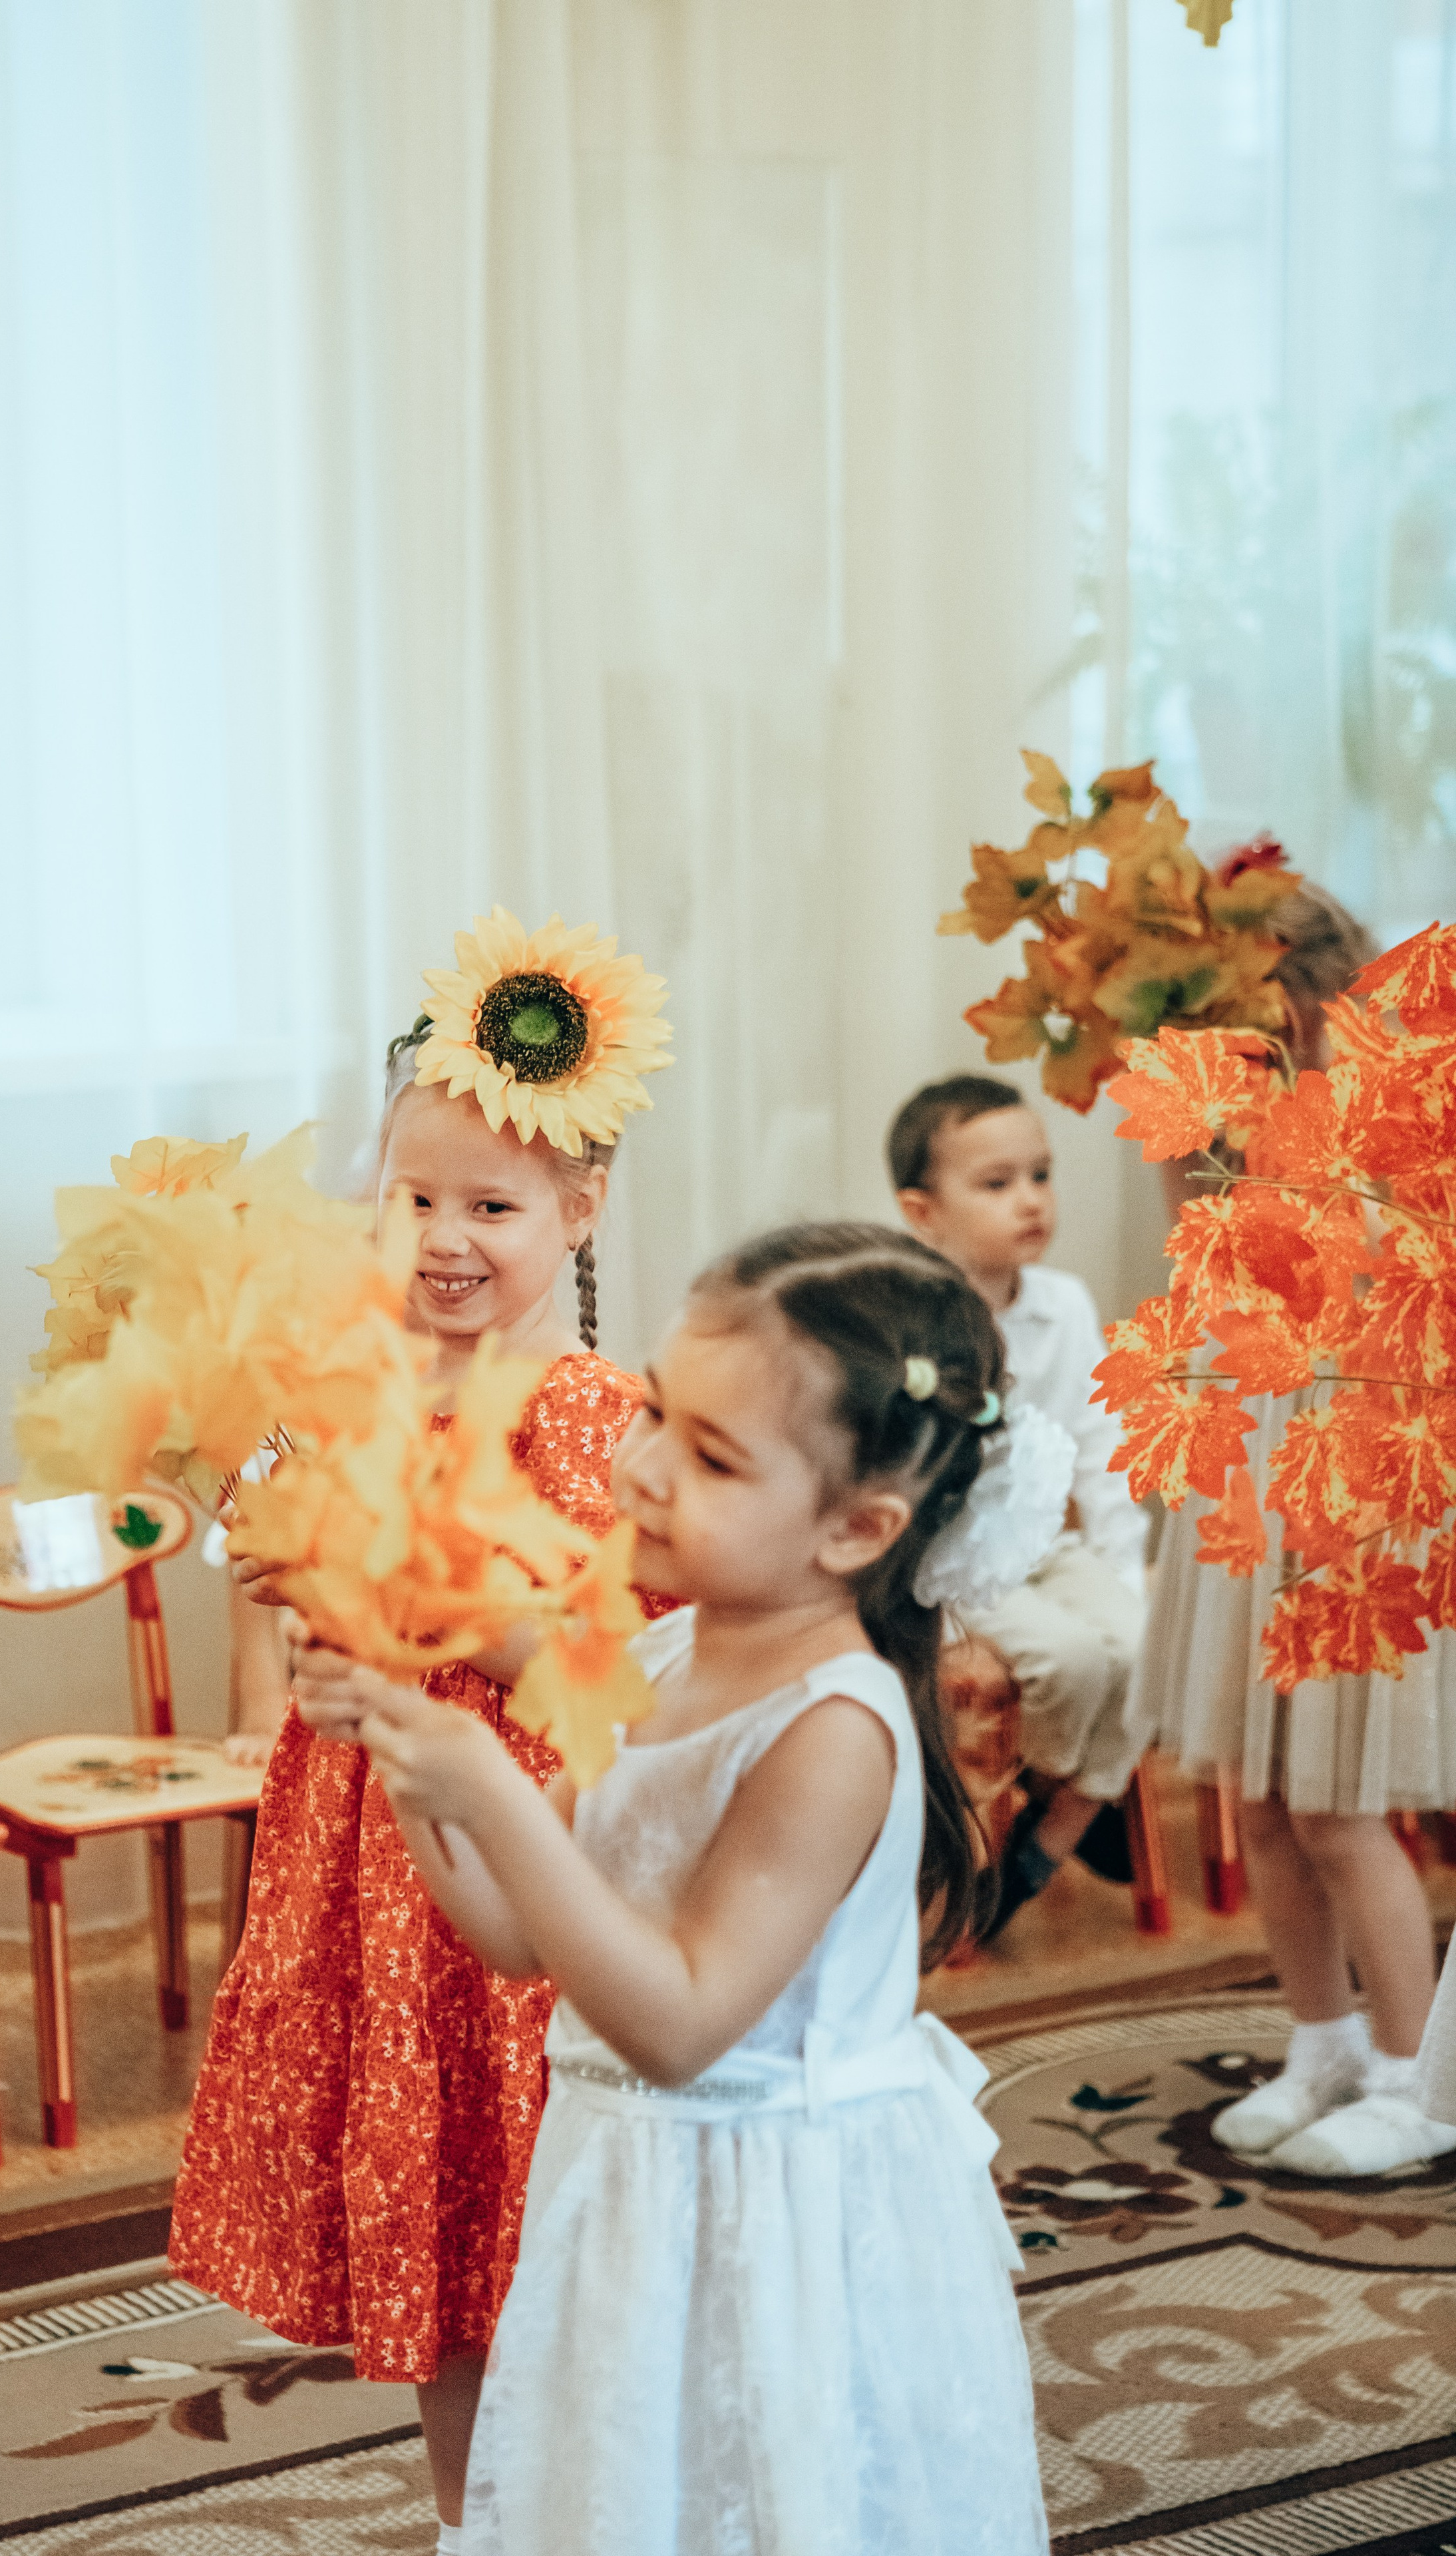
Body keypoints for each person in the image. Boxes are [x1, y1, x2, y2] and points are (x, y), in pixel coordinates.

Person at [299, 1224, 1056, 2556]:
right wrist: (404, 1748)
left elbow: (679, 2021)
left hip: (781, 2215)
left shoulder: (836, 1727)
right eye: (654, 1409)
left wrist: (482, 1783)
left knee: (772, 2498)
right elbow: (518, 1936)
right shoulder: (654, 1652)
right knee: (630, 2488)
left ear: (855, 1527)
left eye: (709, 1457)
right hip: (632, 2186)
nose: (639, 1467)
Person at [168, 915, 673, 2533]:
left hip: (513, 1853)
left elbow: (605, 1674)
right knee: (444, 2233)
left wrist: (432, 1618)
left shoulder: (588, 1410)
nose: (445, 1238)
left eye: (492, 1206)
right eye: (411, 1198)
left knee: (538, 2206)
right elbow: (286, 1565)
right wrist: (311, 1635)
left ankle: (588, 2502)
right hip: (365, 1844)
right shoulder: (352, 1391)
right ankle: (471, 2519)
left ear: (578, 1210)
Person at [1125, 879, 1456, 2176]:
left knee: (1336, 1805)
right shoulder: (1203, 1121)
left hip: (1349, 1478)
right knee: (1256, 1793)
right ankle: (1316, 2042)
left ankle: (1407, 2070)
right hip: (1243, 1471)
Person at [890, 1074, 1147, 1935]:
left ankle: (1063, 1814)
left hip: (1047, 1550)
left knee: (1147, 1646)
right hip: (953, 1558)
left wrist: (1123, 1568)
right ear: (922, 1212)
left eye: (1040, 1175)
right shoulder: (907, 1317)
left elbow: (1102, 1448)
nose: (1031, 1201)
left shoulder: (1063, 1304)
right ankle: (1076, 1800)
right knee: (1074, 1665)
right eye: (997, 1185)